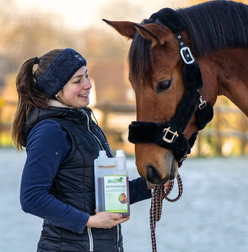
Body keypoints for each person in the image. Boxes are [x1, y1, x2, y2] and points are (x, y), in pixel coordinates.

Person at [11, 48, 154, 252]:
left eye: (86, 75)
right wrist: (89, 221)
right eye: (77, 81)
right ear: (56, 89)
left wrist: (150, 185)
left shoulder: (85, 124)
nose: (88, 84)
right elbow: (31, 197)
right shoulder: (50, 131)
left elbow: (100, 193)